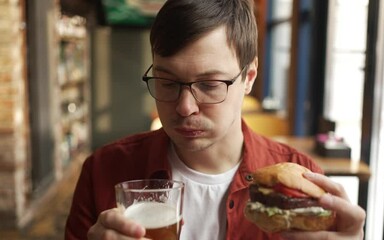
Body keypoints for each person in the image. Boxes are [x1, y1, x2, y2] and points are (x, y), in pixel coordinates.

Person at [65, 0, 366, 239]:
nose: (184, 107)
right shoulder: (102, 171)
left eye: (209, 85)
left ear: (249, 77)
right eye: (167, 82)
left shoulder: (302, 183)